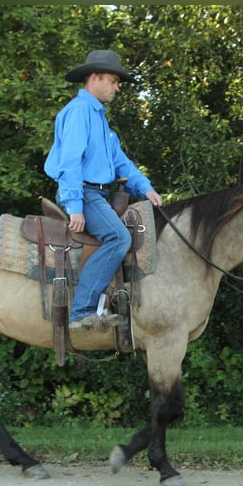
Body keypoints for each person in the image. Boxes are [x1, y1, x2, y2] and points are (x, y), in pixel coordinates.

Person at [44, 50, 163, 332]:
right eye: (112, 81)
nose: (117, 87)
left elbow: (122, 163)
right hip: (83, 193)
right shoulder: (79, 112)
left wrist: (145, 188)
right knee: (118, 237)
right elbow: (70, 162)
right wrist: (74, 205)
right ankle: (81, 311)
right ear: (94, 78)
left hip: (94, 193)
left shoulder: (101, 121)